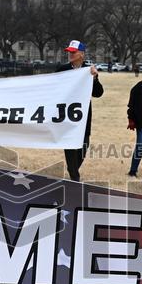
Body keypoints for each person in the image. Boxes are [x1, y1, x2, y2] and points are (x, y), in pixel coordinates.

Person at [56, 39, 103, 181]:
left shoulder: (88, 71)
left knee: (84, 146)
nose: (70, 54)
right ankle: (74, 178)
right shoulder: (62, 70)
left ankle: (73, 171)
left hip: (83, 116)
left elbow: (98, 93)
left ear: (81, 54)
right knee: (70, 145)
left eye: (73, 52)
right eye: (69, 52)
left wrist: (95, 78)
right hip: (67, 116)